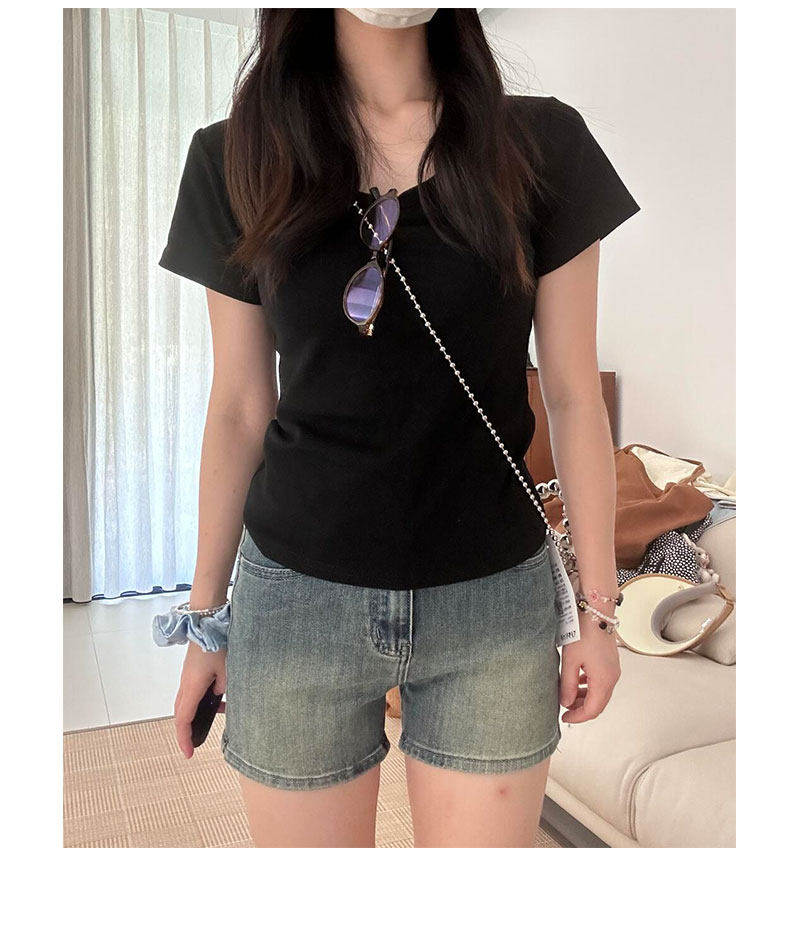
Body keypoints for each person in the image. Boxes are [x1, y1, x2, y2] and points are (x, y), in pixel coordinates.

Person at [157, 8, 640, 848]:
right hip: (296, 598)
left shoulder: (541, 145)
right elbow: (238, 408)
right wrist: (207, 622)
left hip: (495, 603)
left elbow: (573, 394)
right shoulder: (235, 156)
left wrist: (598, 612)